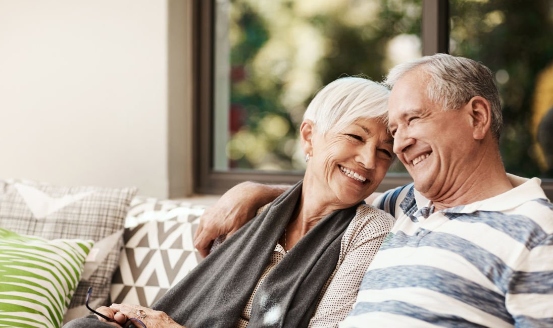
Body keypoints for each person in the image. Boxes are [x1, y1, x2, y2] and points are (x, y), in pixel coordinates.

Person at [194, 53, 553, 327]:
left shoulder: (536, 232)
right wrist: (253, 190)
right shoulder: (406, 204)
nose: (399, 146)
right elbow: (331, 190)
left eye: (412, 119)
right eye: (395, 132)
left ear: (476, 117)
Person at [64, 76, 398, 328]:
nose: (369, 160)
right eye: (355, 136)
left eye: (385, 151)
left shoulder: (370, 231)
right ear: (309, 136)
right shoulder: (254, 214)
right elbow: (199, 307)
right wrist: (134, 316)